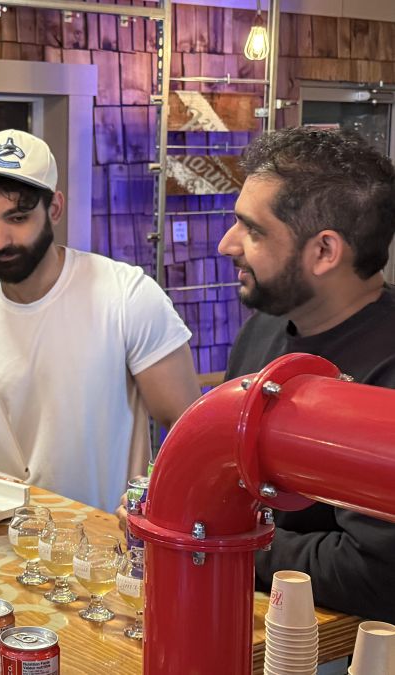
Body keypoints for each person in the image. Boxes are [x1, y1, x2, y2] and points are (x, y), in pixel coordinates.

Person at [0, 130, 201, 512]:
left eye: (17, 218)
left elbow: (191, 429)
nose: (0, 240)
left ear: (54, 208)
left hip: (107, 548)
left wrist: (157, 503)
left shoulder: (126, 296)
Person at [220, 126, 395, 621]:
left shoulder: (387, 372)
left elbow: (376, 573)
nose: (227, 244)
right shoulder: (262, 332)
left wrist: (229, 546)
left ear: (324, 252)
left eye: (253, 230)